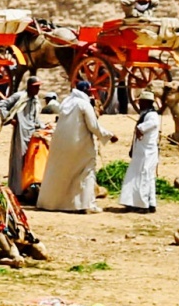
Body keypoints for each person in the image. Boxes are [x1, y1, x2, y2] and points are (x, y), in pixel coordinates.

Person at [37, 79, 118, 213]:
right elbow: (93, 126)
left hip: (60, 145)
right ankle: (86, 205)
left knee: (61, 173)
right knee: (86, 172)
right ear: (86, 91)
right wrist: (109, 136)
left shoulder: (66, 102)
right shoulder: (84, 105)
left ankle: (52, 203)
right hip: (79, 145)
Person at [0, 75, 42, 197]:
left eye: (39, 87)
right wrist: (9, 119)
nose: (37, 90)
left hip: (31, 133)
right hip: (20, 133)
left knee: (30, 160)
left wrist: (44, 128)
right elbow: (2, 104)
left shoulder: (35, 100)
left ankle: (27, 187)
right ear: (29, 87)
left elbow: (35, 118)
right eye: (35, 87)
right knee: (19, 160)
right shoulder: (19, 96)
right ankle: (17, 190)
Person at [119, 91, 160, 213]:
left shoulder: (152, 115)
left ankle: (144, 205)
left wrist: (140, 128)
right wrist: (132, 148)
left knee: (145, 177)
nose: (140, 105)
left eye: (141, 102)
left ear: (146, 102)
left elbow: (152, 124)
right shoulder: (144, 114)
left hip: (147, 152)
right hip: (140, 151)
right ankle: (145, 203)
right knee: (140, 176)